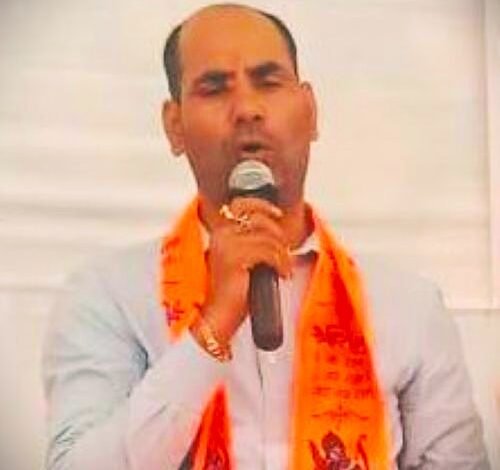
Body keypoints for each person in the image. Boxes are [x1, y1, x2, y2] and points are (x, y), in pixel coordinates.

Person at [43, 3, 490, 469]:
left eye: (268, 82)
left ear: (310, 111)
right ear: (175, 127)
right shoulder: (109, 296)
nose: (247, 110)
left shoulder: (408, 306)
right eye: (214, 88)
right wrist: (212, 328)